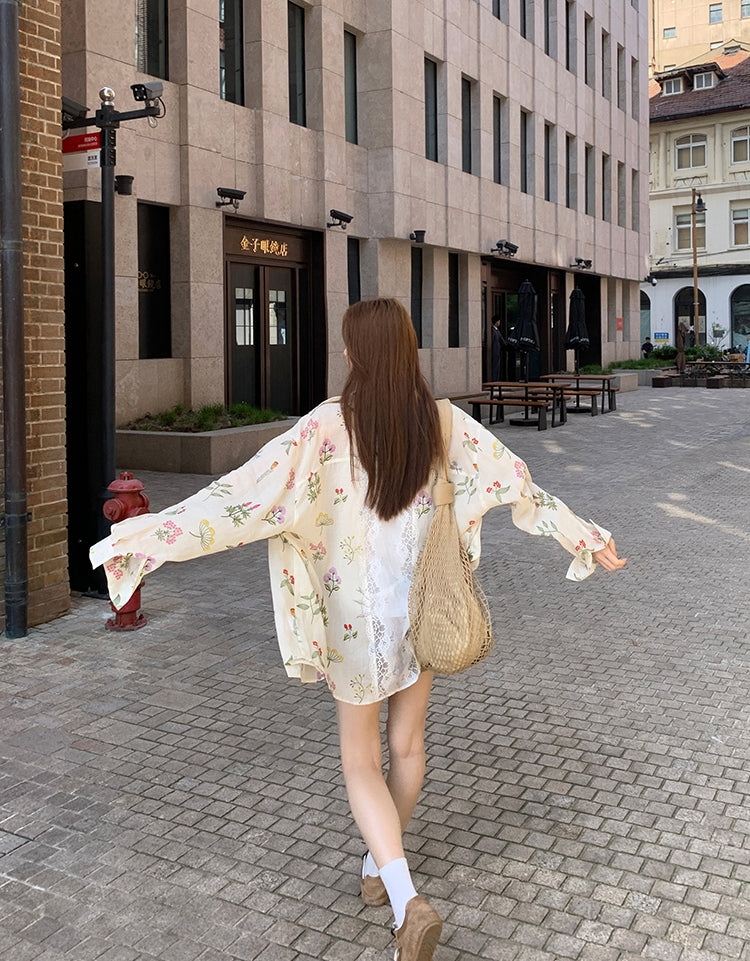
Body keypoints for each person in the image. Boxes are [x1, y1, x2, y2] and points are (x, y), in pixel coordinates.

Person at [90, 297, 626, 961]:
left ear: (356, 353)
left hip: (354, 622)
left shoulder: (324, 428)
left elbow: (240, 499)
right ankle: (377, 866)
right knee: (407, 748)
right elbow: (519, 485)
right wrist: (584, 535)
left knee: (359, 760)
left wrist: (144, 539)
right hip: (425, 612)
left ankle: (405, 898)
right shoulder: (443, 422)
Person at [491, 315, 505, 381]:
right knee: (495, 367)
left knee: (497, 367)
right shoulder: (492, 331)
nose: (499, 323)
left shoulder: (497, 330)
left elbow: (502, 340)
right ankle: (494, 380)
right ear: (496, 322)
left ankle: (496, 379)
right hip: (494, 352)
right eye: (499, 321)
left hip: (497, 351)